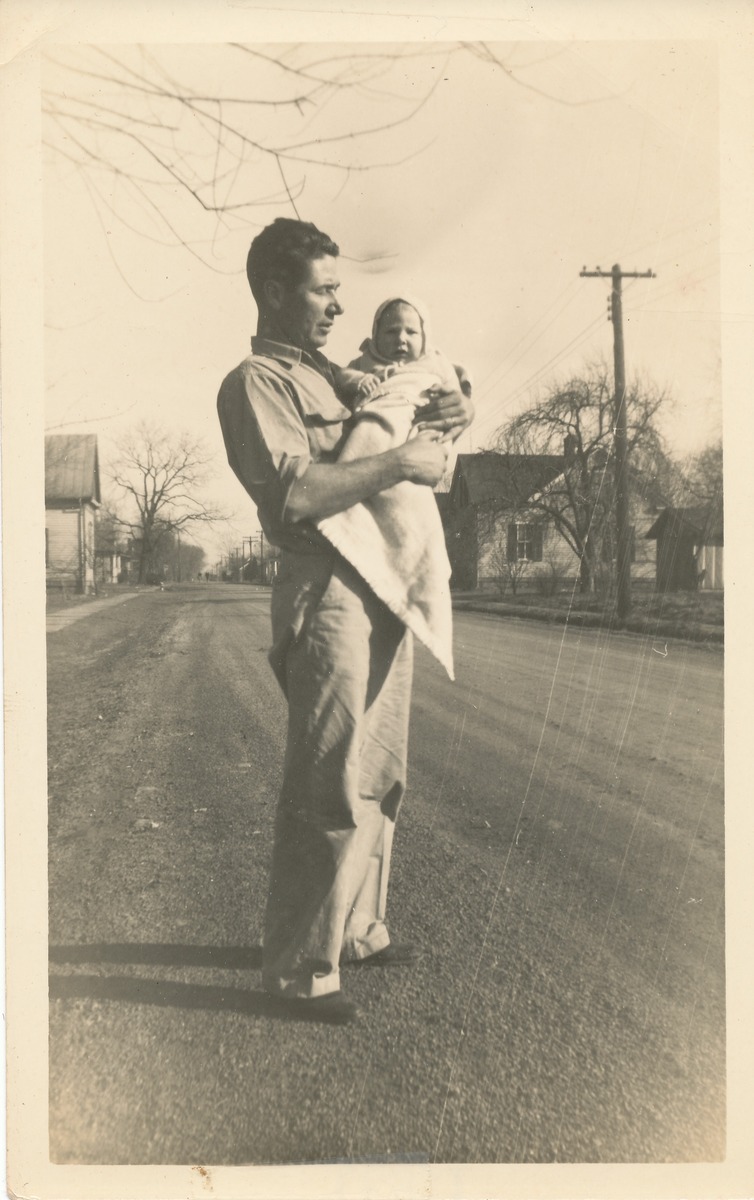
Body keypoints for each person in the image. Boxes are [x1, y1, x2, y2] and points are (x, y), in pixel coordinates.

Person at [216, 218, 473, 1024]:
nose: (337, 305)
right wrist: (397, 460)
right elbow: (295, 496)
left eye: (337, 290)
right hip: (326, 591)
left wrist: (452, 415)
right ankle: (298, 969)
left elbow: (408, 430)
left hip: (385, 582)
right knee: (326, 779)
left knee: (379, 771)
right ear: (274, 292)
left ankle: (358, 927)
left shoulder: (340, 378)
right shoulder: (258, 382)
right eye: (323, 290)